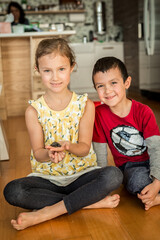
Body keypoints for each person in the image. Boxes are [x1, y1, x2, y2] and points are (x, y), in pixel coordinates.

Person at [3, 38, 123, 230]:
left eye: (61, 69)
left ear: (72, 67)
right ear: (37, 70)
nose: (55, 77)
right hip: (48, 179)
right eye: (47, 70)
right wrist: (49, 154)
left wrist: (68, 146)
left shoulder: (85, 105)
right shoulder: (33, 111)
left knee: (113, 175)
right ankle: (86, 202)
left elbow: (84, 149)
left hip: (82, 175)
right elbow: (38, 153)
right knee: (13, 191)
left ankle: (49, 211)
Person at [92, 56, 160, 211]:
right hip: (130, 166)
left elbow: (156, 149)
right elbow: (100, 155)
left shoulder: (143, 111)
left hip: (153, 158)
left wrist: (157, 183)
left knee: (155, 176)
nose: (107, 90)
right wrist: (102, 188)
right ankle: (152, 196)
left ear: (126, 83)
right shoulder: (99, 115)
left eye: (113, 83)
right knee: (137, 180)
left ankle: (155, 196)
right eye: (100, 86)